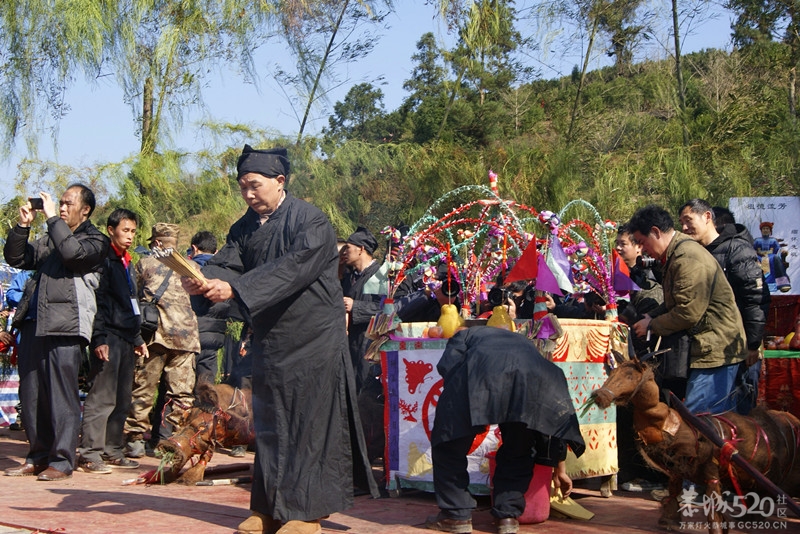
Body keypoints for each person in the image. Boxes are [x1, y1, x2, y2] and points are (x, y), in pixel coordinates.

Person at [181, 144, 378, 534]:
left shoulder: (311, 221)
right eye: (242, 186)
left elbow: (291, 269)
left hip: (314, 338)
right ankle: (269, 507)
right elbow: (228, 264)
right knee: (270, 424)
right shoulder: (244, 227)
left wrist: (237, 289)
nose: (248, 193)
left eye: (254, 185)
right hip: (272, 338)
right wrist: (202, 280)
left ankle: (307, 514)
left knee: (308, 424)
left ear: (280, 181)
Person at [425, 326, 585, 534]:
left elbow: (449, 366)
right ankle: (507, 516)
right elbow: (553, 425)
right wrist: (559, 468)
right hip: (531, 382)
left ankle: (455, 516)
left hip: (481, 376)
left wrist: (467, 404)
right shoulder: (523, 341)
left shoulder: (463, 335)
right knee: (519, 448)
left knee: (449, 444)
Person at [3, 184, 109, 481]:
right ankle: (38, 456)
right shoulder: (53, 236)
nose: (61, 208)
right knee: (32, 394)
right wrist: (22, 227)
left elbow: (73, 254)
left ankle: (62, 461)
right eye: (59, 203)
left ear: (85, 210)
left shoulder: (95, 240)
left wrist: (52, 220)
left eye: (67, 203)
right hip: (34, 323)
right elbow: (17, 258)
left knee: (62, 396)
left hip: (66, 325)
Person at [630, 204, 748, 414]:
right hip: (707, 348)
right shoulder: (676, 254)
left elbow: (688, 312)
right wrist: (651, 315)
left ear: (656, 232)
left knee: (699, 421)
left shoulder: (687, 258)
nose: (642, 249)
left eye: (642, 242)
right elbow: (676, 301)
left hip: (714, 351)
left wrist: (652, 324)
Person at [679, 199, 770, 413]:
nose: (684, 227)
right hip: (713, 346)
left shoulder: (736, 249)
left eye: (688, 220)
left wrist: (752, 344)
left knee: (737, 412)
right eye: (681, 222)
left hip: (740, 345)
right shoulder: (696, 252)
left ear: (707, 217)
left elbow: (755, 299)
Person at [77, 208, 147, 473]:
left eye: (133, 231)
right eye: (125, 230)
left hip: (127, 337)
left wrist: (137, 337)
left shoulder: (126, 261)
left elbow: (130, 304)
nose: (130, 236)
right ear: (111, 230)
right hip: (109, 336)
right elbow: (99, 301)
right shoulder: (103, 259)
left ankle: (113, 449)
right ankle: (90, 453)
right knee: (102, 396)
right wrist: (99, 338)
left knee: (122, 398)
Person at [123, 223, 199, 458]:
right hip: (187, 339)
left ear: (157, 243)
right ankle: (174, 440)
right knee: (181, 395)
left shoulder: (145, 263)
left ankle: (135, 439)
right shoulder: (193, 266)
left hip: (155, 337)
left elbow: (133, 296)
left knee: (144, 389)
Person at [340, 226, 383, 393]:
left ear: (361, 249)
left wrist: (355, 306)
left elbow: (386, 309)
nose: (344, 252)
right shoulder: (348, 276)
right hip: (349, 343)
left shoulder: (380, 275)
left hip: (368, 344)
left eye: (348, 248)